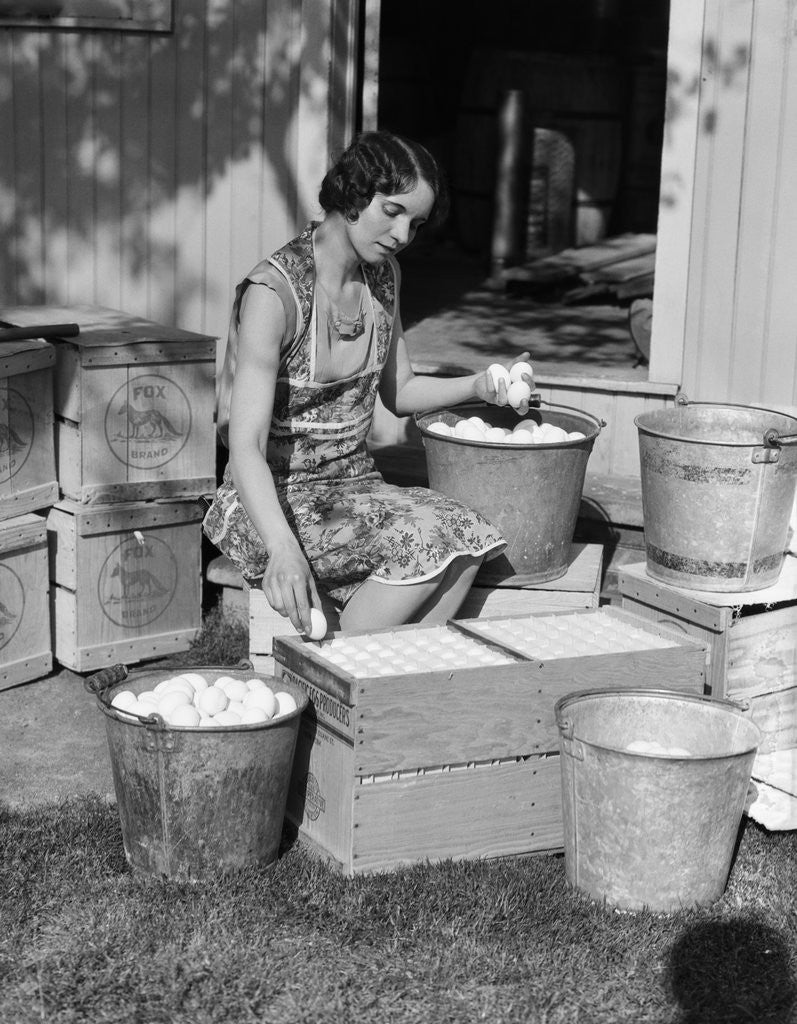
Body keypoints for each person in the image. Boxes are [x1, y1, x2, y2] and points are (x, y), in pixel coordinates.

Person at [204, 130, 535, 637]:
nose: (403, 234)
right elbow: (244, 446)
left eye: (416, 223)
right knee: (426, 539)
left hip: (354, 487)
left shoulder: (385, 278)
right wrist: (283, 550)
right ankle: (343, 672)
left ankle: (376, 683)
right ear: (354, 195)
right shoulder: (274, 294)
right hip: (271, 498)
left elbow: (399, 392)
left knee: (469, 539)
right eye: (393, 210)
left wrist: (478, 385)